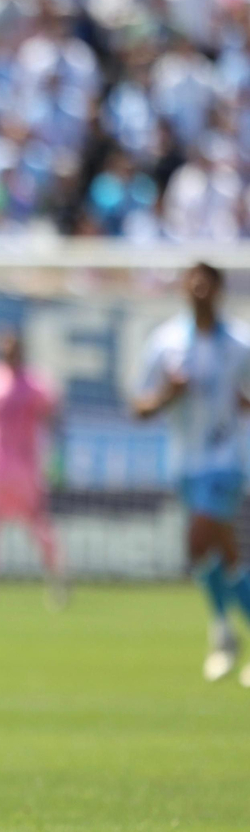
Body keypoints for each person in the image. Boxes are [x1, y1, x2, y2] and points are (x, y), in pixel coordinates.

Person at [135, 261, 250, 683]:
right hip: (184, 461)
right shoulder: (166, 342)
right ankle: (225, 630)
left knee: (199, 537)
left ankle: (221, 633)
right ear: (183, 288)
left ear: (219, 289)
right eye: (192, 281)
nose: (199, 288)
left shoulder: (240, 343)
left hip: (227, 459)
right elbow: (139, 406)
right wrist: (168, 393)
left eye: (207, 282)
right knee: (220, 553)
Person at [0, 326, 66, 612]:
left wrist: (56, 458)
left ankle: (57, 578)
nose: (8, 350)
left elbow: (53, 421)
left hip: (25, 467)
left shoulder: (38, 383)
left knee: (38, 524)